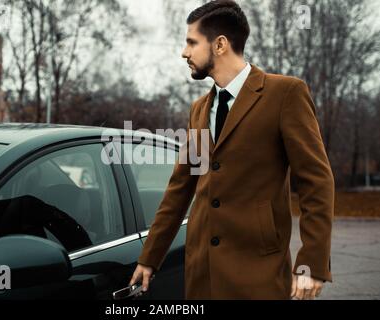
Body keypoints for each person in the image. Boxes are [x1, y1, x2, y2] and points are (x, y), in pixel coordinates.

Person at [130, 0, 334, 300]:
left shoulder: (285, 94)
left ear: (220, 44)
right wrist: (150, 258)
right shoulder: (199, 109)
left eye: (191, 42)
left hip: (258, 273)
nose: (184, 52)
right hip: (202, 273)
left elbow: (316, 182)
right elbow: (179, 190)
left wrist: (312, 263)